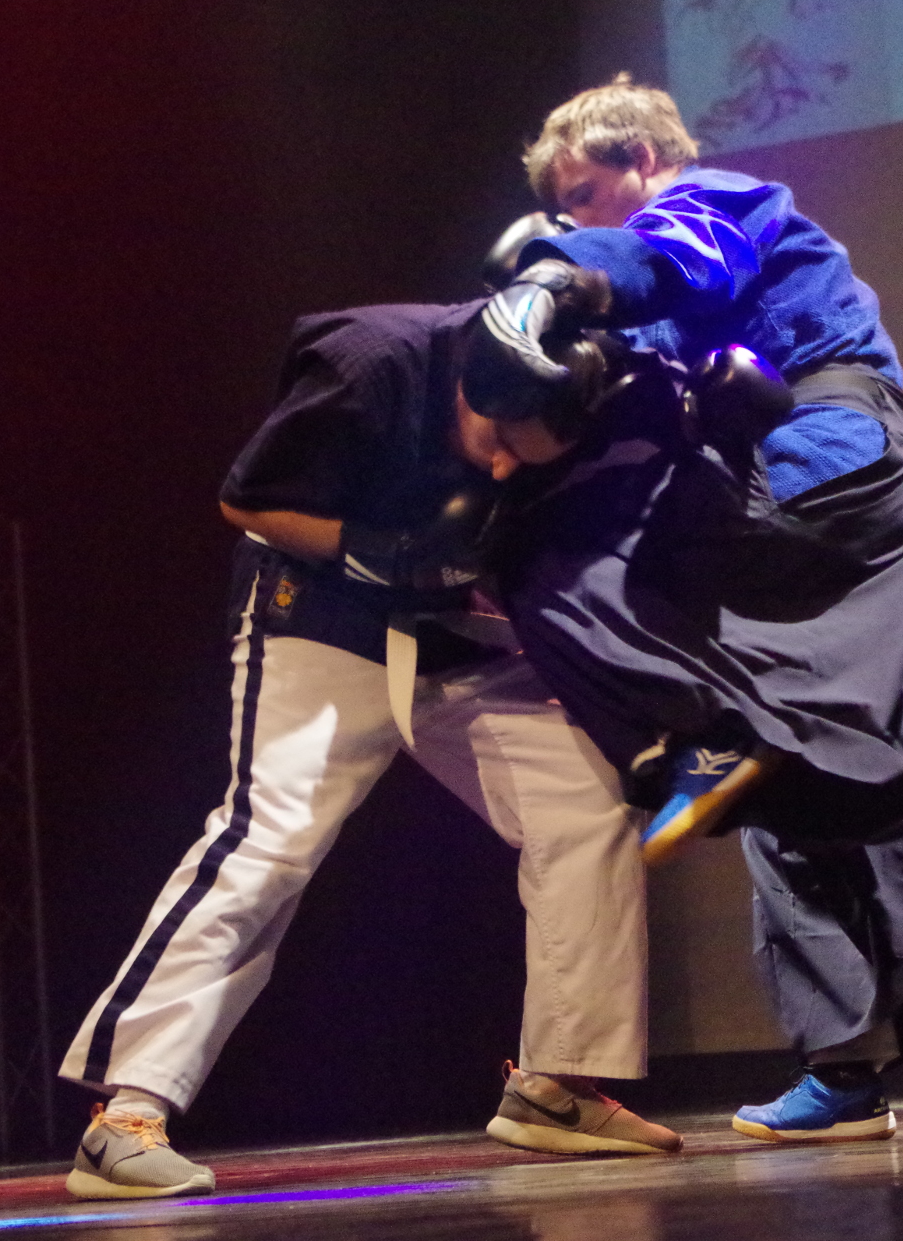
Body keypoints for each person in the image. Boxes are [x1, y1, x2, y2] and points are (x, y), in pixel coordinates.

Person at [57, 297, 679, 1201]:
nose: (502, 466)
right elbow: (246, 500)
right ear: (473, 386)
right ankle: (123, 1116)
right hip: (321, 613)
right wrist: (373, 553)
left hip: (449, 632)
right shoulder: (369, 365)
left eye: (524, 457)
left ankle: (558, 1085)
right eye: (497, 442)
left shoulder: (566, 389)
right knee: (270, 840)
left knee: (587, 804)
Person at [463, 76, 903, 1146]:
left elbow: (668, 257)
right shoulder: (658, 305)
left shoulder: (717, 201)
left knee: (571, 553)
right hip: (822, 479)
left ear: (647, 161)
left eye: (586, 195)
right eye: (564, 210)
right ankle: (845, 1069)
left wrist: (556, 277)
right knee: (804, 775)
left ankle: (689, 736)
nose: (577, 219)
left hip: (827, 457)